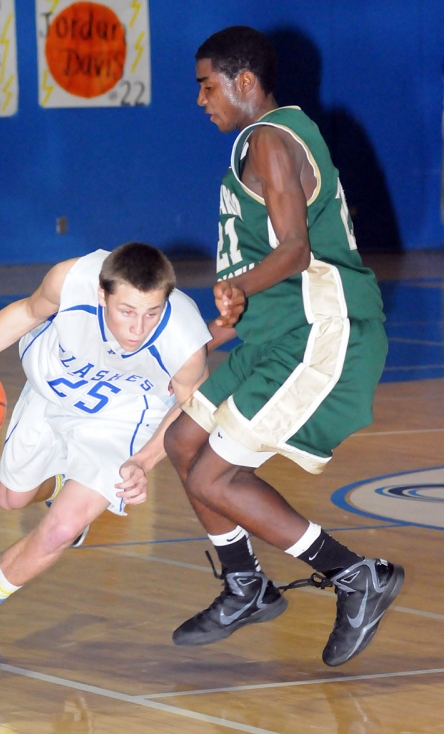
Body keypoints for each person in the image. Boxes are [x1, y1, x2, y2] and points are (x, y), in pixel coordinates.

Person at [163, 26, 404, 667]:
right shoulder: (262, 140)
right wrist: (238, 313)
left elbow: (296, 250)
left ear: (245, 81)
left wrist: (237, 287)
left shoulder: (271, 139)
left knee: (216, 474)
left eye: (206, 85)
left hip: (323, 334)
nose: (200, 99)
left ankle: (356, 577)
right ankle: (246, 587)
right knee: (183, 443)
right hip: (279, 333)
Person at [0, 242, 211, 666]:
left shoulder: (185, 340)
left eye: (152, 312)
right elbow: (25, 314)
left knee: (61, 527)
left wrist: (143, 462)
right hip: (51, 390)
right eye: (127, 311)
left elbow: (188, 405)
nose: (139, 328)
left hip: (120, 422)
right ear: (102, 294)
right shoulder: (71, 280)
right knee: (10, 498)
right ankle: (63, 484)